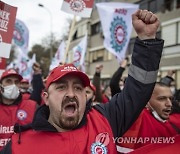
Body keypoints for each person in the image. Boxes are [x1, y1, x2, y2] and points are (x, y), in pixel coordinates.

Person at [1, 9, 164, 154]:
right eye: (61, 87)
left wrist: (147, 40)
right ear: (45, 98)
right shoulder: (19, 146)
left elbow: (138, 91)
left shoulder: (105, 119)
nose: (71, 93)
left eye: (78, 88)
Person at [117, 82, 180, 153]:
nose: (169, 104)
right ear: (146, 101)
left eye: (170, 99)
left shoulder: (174, 121)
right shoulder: (137, 118)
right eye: (162, 99)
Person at [0, 69, 37, 151]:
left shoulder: (32, 106)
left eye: (16, 82)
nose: (13, 85)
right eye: (8, 81)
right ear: (1, 85)